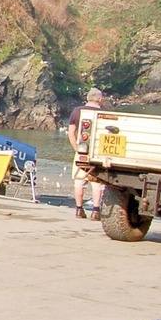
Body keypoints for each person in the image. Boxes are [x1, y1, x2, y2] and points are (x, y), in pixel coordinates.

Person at [67, 87, 105, 220]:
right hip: (98, 152)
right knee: (98, 182)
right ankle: (96, 211)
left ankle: (79, 209)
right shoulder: (104, 113)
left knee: (79, 181)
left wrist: (76, 147)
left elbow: (71, 133)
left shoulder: (77, 111)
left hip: (82, 150)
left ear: (88, 98)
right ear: (100, 100)